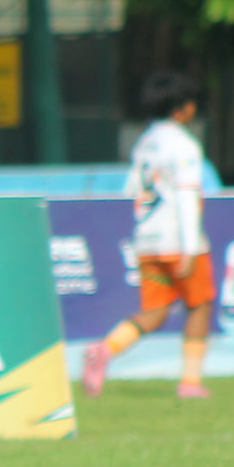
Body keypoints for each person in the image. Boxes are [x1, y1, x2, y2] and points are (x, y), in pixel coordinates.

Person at [84, 72, 214, 399]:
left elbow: (132, 189)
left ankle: (105, 348)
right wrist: (189, 246)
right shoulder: (184, 145)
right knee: (199, 304)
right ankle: (190, 382)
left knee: (155, 312)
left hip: (147, 240)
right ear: (181, 110)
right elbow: (186, 195)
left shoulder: (144, 143)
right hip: (177, 239)